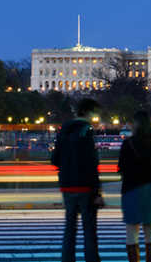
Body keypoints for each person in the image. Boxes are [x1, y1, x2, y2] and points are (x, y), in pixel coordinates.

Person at [51, 98, 102, 262]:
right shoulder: (86, 130)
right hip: (85, 188)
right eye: (94, 111)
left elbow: (55, 159)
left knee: (69, 231)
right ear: (86, 112)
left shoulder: (63, 130)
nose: (95, 116)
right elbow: (91, 163)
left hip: (67, 187)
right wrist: (96, 192)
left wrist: (67, 169)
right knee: (89, 232)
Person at [118, 111, 151, 262]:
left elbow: (121, 168)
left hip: (132, 190)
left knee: (132, 232)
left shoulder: (128, 144)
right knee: (150, 232)